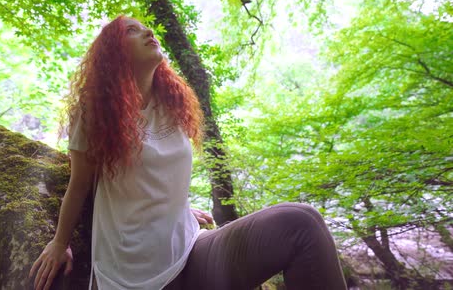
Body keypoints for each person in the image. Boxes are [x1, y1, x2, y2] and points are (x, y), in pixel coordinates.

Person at [29, 16, 347, 290]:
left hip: (191, 252)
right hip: (131, 276)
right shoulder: (94, 110)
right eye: (131, 31)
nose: (147, 32)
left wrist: (177, 208)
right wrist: (60, 242)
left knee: (303, 222)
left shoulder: (173, 103)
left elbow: (160, 175)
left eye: (145, 27)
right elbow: (80, 183)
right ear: (113, 55)